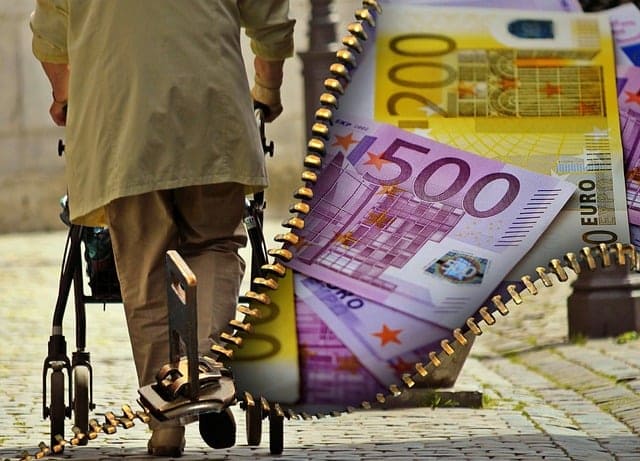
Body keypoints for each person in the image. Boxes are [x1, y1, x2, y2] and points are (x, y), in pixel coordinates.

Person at [30, 0, 295, 456]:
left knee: (145, 262)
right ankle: (205, 371)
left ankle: (166, 419)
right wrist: (267, 88)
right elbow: (269, 17)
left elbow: (51, 38)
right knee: (215, 243)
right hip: (211, 108)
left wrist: (65, 95)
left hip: (121, 119)